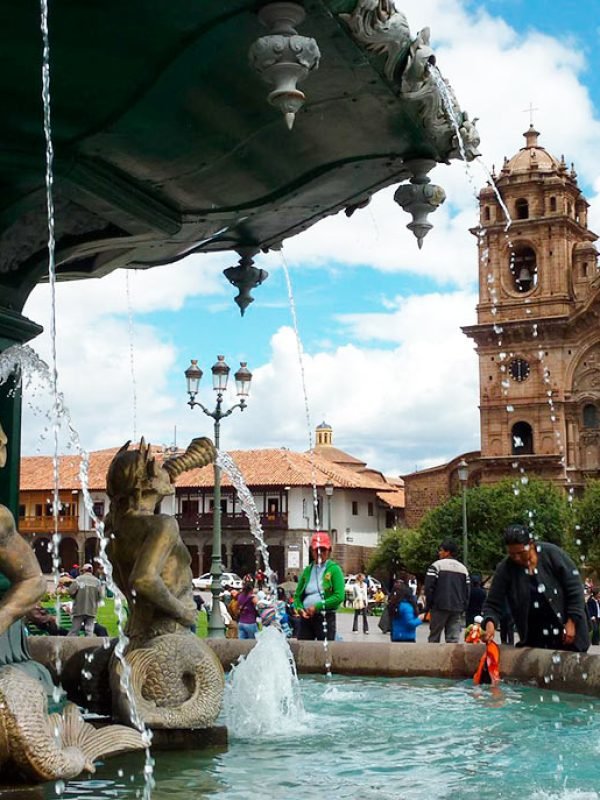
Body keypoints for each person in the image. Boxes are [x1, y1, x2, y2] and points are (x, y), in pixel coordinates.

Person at [481, 524, 590, 652]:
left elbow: (575, 589)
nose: (516, 558)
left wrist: (572, 622)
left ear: (531, 544)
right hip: (535, 639)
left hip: (568, 633)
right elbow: (493, 604)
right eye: (512, 554)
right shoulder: (505, 569)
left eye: (521, 553)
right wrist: (490, 623)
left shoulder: (552, 554)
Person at [293, 531, 344, 640]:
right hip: (306, 617)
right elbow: (297, 596)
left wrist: (317, 607)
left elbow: (339, 596)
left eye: (323, 549)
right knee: (304, 649)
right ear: (312, 551)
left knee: (325, 651)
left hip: (325, 616)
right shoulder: (307, 570)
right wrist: (300, 609)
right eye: (317, 550)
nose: (320, 553)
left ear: (329, 550)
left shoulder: (334, 570)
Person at [424, 539, 470, 643]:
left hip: (439, 606)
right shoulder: (463, 569)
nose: (439, 553)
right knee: (453, 639)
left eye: (441, 550)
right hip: (457, 608)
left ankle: (434, 658)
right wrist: (463, 606)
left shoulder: (436, 566)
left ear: (447, 552)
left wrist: (429, 605)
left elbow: (429, 588)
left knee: (434, 637)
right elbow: (467, 591)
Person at [66, 563, 104, 637]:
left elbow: (71, 591)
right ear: (92, 571)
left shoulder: (78, 579)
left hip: (79, 608)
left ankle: (69, 646)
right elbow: (100, 596)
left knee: (74, 631)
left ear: (83, 570)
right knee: (89, 631)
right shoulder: (97, 582)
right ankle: (88, 646)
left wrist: (75, 597)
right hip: (91, 609)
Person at [388, 577, 423, 642]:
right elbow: (410, 623)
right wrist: (420, 619)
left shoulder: (394, 605)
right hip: (407, 637)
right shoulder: (406, 607)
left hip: (395, 636)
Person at [237, 574, 259, 639]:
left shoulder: (240, 596)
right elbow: (259, 605)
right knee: (254, 644)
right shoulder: (252, 597)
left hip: (241, 622)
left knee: (242, 644)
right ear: (252, 589)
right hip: (250, 622)